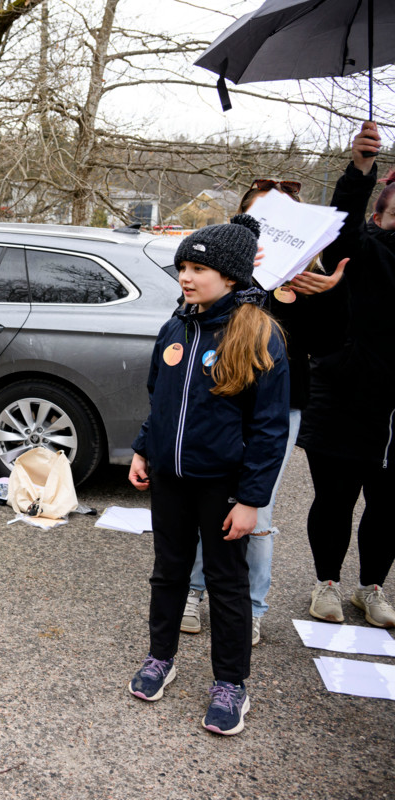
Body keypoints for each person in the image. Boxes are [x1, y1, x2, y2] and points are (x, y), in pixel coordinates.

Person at [127, 214, 290, 736]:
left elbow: (268, 430)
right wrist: (143, 449)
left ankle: (231, 684)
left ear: (232, 275)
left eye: (198, 268)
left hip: (223, 486)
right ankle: (160, 657)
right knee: (168, 570)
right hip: (171, 478)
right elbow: (160, 398)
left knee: (225, 583)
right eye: (183, 268)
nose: (186, 278)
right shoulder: (177, 326)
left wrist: (251, 499)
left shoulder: (258, 334)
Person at [181, 180, 346, 646]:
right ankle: (194, 591)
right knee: (207, 498)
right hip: (219, 401)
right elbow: (193, 314)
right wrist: (243, 276)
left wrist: (328, 293)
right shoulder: (224, 274)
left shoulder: (303, 280)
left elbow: (329, 343)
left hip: (278, 408)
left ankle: (251, 606)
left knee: (257, 509)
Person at [296, 121, 395, 629]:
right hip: (344, 398)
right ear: (382, 204)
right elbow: (342, 225)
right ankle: (326, 583)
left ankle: (372, 587)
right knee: (335, 499)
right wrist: (361, 169)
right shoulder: (361, 248)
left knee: (389, 507)